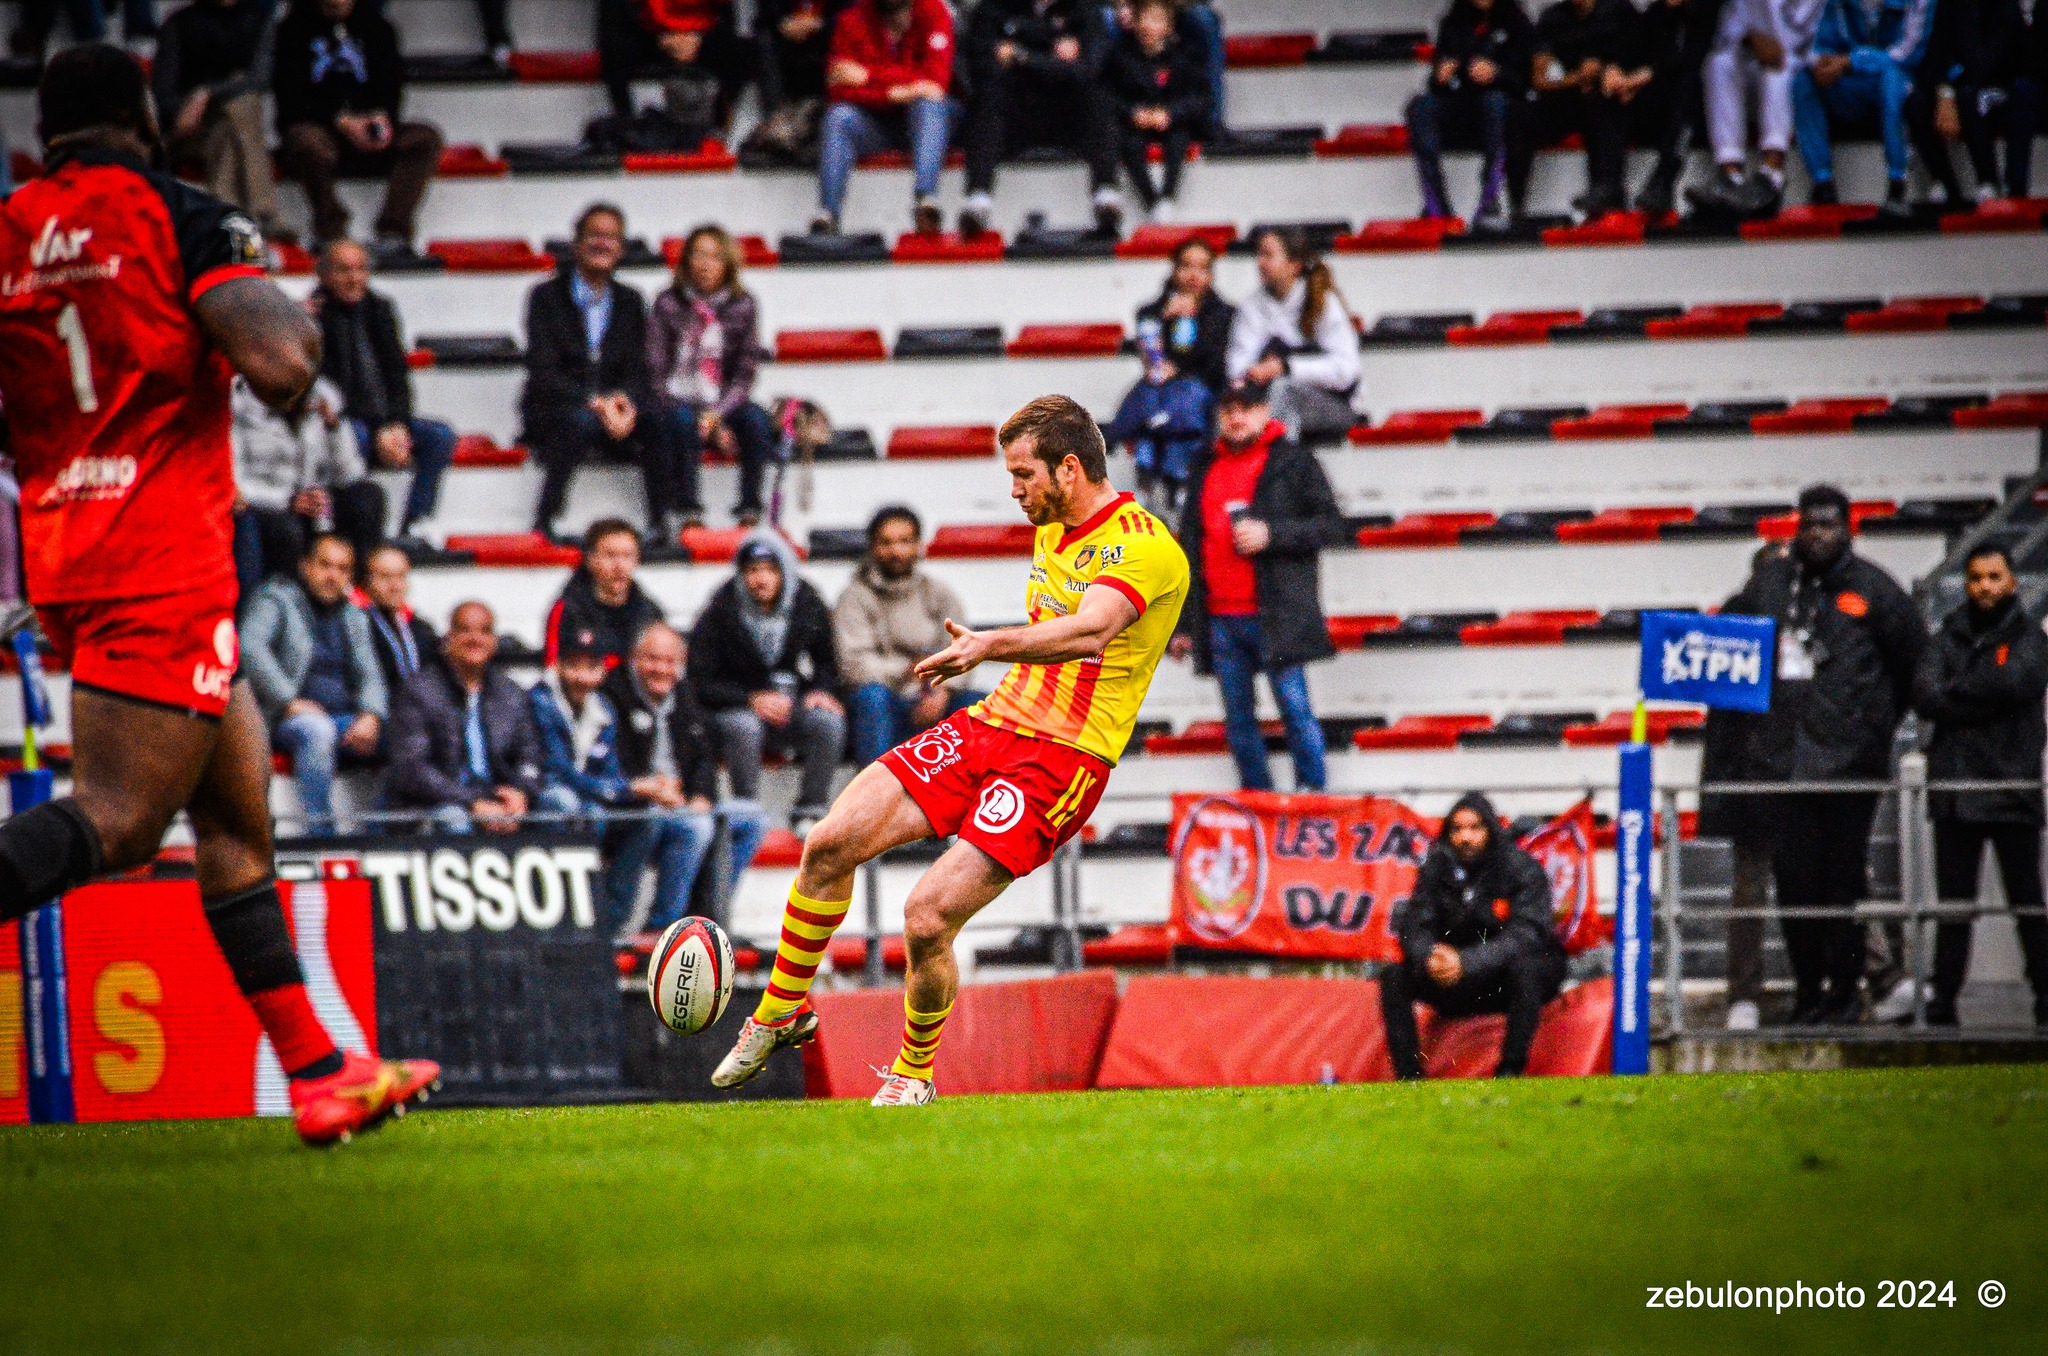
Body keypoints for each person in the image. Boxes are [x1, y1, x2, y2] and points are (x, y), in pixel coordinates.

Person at [0, 44, 436, 1146]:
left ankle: (321, 1071)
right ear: (145, 119)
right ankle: (321, 1068)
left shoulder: (9, 232)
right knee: (125, 818)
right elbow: (282, 365)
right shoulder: (173, 209)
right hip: (164, 553)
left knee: (236, 821)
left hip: (66, 547)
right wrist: (291, 311)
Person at [712, 396, 1189, 1105]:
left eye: (1024, 474)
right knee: (830, 842)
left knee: (927, 916)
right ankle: (782, 1010)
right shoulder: (1053, 525)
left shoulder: (1146, 547)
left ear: (1069, 467)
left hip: (1060, 760)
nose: (1015, 489)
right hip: (990, 728)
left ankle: (913, 1075)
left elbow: (1092, 632)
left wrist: (987, 644)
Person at [1727, 484, 1923, 1023]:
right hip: (1782, 766)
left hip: (1847, 770)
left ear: (1848, 528)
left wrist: (1873, 729)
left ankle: (1844, 991)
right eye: (1809, 523)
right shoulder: (1773, 584)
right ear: (1796, 527)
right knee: (1796, 889)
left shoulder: (1876, 590)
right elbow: (1730, 636)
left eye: (1829, 524)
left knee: (1841, 887)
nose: (1818, 533)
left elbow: (1913, 666)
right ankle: (1808, 991)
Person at [1167, 379, 1344, 792]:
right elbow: (1191, 548)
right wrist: (1185, 623)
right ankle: (1258, 804)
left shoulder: (1295, 461)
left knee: (1295, 710)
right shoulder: (1204, 464)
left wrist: (1273, 534)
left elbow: (1332, 526)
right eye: (1228, 408)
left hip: (1274, 614)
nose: (1237, 416)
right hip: (1221, 618)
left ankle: (1313, 799)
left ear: (1266, 411)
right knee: (1239, 721)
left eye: (1246, 407)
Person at [1912, 543, 2048, 1028]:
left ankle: (2045, 1000)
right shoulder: (1948, 633)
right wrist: (1981, 690)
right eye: (1975, 578)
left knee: (2028, 905)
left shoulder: (2031, 636)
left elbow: (2019, 683)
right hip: (1955, 793)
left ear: (2012, 580)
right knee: (1954, 909)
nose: (1985, 587)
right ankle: (1943, 1001)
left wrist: (1957, 691)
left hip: (2012, 791)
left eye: (1994, 577)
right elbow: (1925, 694)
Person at [1382, 793, 1569, 1079]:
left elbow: (1527, 934)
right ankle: (1409, 1078)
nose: (1465, 837)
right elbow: (1415, 925)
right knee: (1393, 977)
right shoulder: (1436, 867)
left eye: (1474, 828)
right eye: (1457, 829)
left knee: (1529, 967)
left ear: (1491, 830)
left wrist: (1467, 962)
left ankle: (1510, 1071)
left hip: (1504, 979)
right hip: (1456, 978)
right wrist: (1430, 957)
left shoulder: (1521, 869)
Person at [603, 622, 768, 936]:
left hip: (679, 803)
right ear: (635, 659)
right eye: (653, 659)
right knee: (696, 826)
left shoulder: (684, 694)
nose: (661, 669)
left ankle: (705, 916)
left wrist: (702, 796)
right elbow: (609, 763)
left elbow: (703, 757)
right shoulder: (613, 694)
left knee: (751, 817)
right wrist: (652, 790)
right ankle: (664, 926)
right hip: (635, 806)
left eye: (670, 662)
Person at [689, 534, 846, 830]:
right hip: (735, 708)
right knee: (743, 726)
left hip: (788, 704)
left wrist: (821, 691)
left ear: (785, 572)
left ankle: (810, 810)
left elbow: (828, 661)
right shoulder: (720, 609)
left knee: (828, 722)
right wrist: (750, 698)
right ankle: (745, 810)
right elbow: (700, 681)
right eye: (752, 570)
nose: (761, 580)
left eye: (770, 570)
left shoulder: (807, 603)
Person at [310, 239, 457, 545]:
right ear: (323, 275)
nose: (354, 279)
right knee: (354, 438)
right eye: (344, 271)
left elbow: (396, 374)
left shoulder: (381, 309)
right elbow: (332, 389)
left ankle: (416, 522)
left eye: (361, 269)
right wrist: (381, 429)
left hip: (384, 420)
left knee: (440, 436)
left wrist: (398, 424)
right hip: (342, 421)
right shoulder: (314, 317)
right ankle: (354, 527)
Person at [520, 203, 653, 541]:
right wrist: (596, 403)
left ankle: (661, 519)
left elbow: (639, 368)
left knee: (664, 420)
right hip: (557, 406)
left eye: (611, 238)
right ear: (577, 243)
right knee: (577, 421)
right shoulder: (545, 296)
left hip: (612, 411)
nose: (602, 244)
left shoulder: (631, 301)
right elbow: (543, 369)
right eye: (594, 235)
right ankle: (547, 516)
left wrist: (624, 401)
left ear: (621, 249)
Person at [241, 533, 388, 835]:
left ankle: (379, 835)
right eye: (325, 565)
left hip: (344, 720)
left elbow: (370, 671)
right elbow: (249, 646)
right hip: (282, 718)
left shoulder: (352, 612)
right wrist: (289, 700)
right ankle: (321, 836)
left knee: (406, 733)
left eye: (342, 568)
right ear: (305, 566)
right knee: (316, 730)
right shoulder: (276, 598)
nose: (333, 576)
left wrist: (371, 715)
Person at [272, 0, 443, 256]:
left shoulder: (378, 27)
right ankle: (330, 230)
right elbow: (290, 99)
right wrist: (339, 120)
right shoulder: (292, 30)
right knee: (305, 141)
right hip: (320, 126)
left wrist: (380, 117)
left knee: (424, 138)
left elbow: (391, 86)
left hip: (369, 125)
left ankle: (394, 230)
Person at [1696, 541, 1785, 1031]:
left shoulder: (1808, 618)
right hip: (1756, 782)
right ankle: (1744, 994)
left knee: (1838, 883)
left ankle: (1861, 981)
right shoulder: (1736, 621)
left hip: (1800, 778)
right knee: (1750, 890)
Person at [645, 225, 778, 532]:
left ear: (728, 264)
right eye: (698, 255)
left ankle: (749, 508)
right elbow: (655, 370)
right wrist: (701, 419)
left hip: (720, 401)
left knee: (757, 421)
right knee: (680, 420)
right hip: (676, 397)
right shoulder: (667, 303)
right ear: (686, 261)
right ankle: (687, 510)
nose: (705, 265)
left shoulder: (743, 305)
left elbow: (745, 373)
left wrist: (716, 417)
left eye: (715, 257)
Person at [959, 0, 1122, 238]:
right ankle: (978, 199)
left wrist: (1022, 57)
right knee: (988, 98)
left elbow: (1088, 70)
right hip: (1015, 117)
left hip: (1067, 118)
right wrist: (1053, 59)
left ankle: (1106, 195)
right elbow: (982, 68)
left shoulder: (1083, 10)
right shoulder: (993, 9)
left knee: (1097, 98)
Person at [835, 506, 981, 766]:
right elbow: (854, 664)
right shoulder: (854, 598)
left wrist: (943, 690)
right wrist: (907, 670)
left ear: (918, 545)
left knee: (980, 705)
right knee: (872, 698)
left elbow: (965, 648)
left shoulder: (939, 593)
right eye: (886, 542)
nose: (896, 551)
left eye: (905, 541)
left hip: (933, 695)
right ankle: (874, 793)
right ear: (872, 547)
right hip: (887, 701)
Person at [383, 600, 545, 833]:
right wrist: (472, 802)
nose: (475, 639)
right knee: (454, 818)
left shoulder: (511, 693)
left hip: (497, 798)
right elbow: (412, 768)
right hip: (438, 803)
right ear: (448, 638)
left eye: (485, 631)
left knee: (558, 803)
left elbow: (531, 755)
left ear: (495, 641)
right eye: (464, 629)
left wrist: (521, 791)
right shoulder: (418, 691)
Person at [229, 373, 384, 596]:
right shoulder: (241, 408)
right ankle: (288, 600)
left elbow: (350, 474)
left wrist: (334, 428)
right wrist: (289, 500)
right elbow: (236, 484)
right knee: (285, 530)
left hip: (314, 499)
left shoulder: (322, 399)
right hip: (267, 505)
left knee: (367, 497)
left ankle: (358, 591)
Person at [813, 0, 956, 236]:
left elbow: (936, 82)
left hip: (928, 124)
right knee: (839, 117)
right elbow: (838, 89)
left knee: (928, 106)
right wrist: (894, 93)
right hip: (876, 122)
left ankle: (925, 200)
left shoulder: (934, 11)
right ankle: (828, 213)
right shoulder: (850, 20)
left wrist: (868, 76)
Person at [152, 0, 289, 244]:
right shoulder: (179, 24)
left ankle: (228, 220)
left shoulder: (258, 21)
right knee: (240, 110)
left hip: (229, 131)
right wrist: (188, 107)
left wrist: (206, 94)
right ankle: (263, 213)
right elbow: (163, 95)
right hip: (188, 132)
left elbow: (260, 79)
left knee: (236, 116)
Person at [1791, 0, 1937, 217]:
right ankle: (1823, 184)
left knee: (1892, 80)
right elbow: (1816, 44)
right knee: (1804, 79)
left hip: (1901, 83)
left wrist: (1851, 61)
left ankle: (1897, 182)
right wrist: (1822, 64)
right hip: (1852, 86)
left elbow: (1908, 54)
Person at [1689, 0, 1826, 220]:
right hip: (1754, 64)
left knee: (1780, 68)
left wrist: (1779, 47)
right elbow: (1729, 28)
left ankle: (1770, 176)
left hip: (1803, 68)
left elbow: (1815, 36)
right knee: (1719, 63)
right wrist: (1748, 38)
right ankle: (1729, 174)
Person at [1225, 228, 1361, 444]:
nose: (1260, 262)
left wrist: (1287, 367)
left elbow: (1346, 371)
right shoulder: (1251, 306)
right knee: (1227, 404)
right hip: (1265, 397)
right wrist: (1257, 371)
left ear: (1294, 264)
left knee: (1284, 391)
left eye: (1268, 255)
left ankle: (1279, 468)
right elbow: (1236, 367)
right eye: (1259, 255)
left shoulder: (1322, 302)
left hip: (1335, 405)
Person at [1408, 0, 1534, 228]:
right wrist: (1441, 77)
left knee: (1496, 104)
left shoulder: (1517, 24)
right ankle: (1437, 205)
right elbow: (1436, 81)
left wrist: (1497, 74)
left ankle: (1491, 199)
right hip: (1462, 107)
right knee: (1420, 107)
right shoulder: (1452, 23)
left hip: (1503, 110)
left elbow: (1527, 83)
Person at [1907, 0, 2042, 204]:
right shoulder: (1951, 6)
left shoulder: (2005, 8)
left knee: (1970, 97)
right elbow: (1933, 61)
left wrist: (1953, 92)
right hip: (1963, 85)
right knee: (1915, 103)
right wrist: (1944, 94)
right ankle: (1945, 184)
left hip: (2002, 86)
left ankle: (1988, 181)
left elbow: (1982, 64)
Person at [1517, 0, 1640, 218]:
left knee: (1605, 102)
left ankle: (1608, 189)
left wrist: (1608, 72)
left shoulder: (1620, 11)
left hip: (1618, 95)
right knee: (1522, 115)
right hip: (1568, 99)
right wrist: (1577, 79)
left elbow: (1644, 55)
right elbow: (1539, 78)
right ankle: (1515, 202)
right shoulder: (1553, 18)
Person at [1606, 0, 1719, 214]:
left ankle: (1664, 180)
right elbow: (1630, 47)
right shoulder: (1657, 13)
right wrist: (1615, 70)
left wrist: (1651, 73)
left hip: (1700, 117)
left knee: (1688, 85)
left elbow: (1694, 57)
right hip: (1659, 113)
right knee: (1613, 93)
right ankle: (1609, 183)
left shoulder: (1711, 12)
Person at [1103, 0, 1211, 223]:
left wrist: (1171, 113)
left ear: (1169, 27)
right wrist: (1132, 112)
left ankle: (1168, 196)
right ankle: (1151, 200)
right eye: (1144, 19)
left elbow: (1200, 96)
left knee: (1179, 138)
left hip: (1172, 122)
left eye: (1156, 20)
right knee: (1129, 143)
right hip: (1134, 123)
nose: (1148, 26)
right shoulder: (1119, 55)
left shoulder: (1184, 56)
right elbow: (1107, 94)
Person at [528, 624, 634, 822]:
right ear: (557, 665)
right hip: (546, 792)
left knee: (634, 812)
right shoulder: (539, 702)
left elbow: (609, 768)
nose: (582, 677)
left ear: (603, 671)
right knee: (564, 801)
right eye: (574, 665)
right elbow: (557, 771)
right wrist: (626, 788)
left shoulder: (604, 708)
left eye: (591, 667)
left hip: (586, 792)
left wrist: (624, 789)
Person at [599, 0, 756, 126]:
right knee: (616, 41)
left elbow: (724, 15)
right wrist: (663, 35)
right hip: (647, 35)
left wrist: (696, 36)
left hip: (699, 35)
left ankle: (719, 124)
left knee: (743, 50)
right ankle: (627, 122)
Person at [543, 519, 667, 670]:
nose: (619, 566)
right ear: (590, 560)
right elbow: (552, 670)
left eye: (627, 556)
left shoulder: (650, 614)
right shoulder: (567, 611)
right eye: (610, 555)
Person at [1134, 236, 1234, 398]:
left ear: (1211, 275)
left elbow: (1216, 367)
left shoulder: (1226, 314)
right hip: (1160, 388)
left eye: (1202, 268)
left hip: (1206, 392)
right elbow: (1150, 360)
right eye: (1186, 266)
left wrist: (1192, 320)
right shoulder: (1151, 313)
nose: (1193, 275)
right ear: (1174, 270)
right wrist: (1165, 320)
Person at [360, 541, 438, 698]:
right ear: (367, 581)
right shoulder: (357, 626)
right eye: (385, 577)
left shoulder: (421, 629)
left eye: (401, 576)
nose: (395, 585)